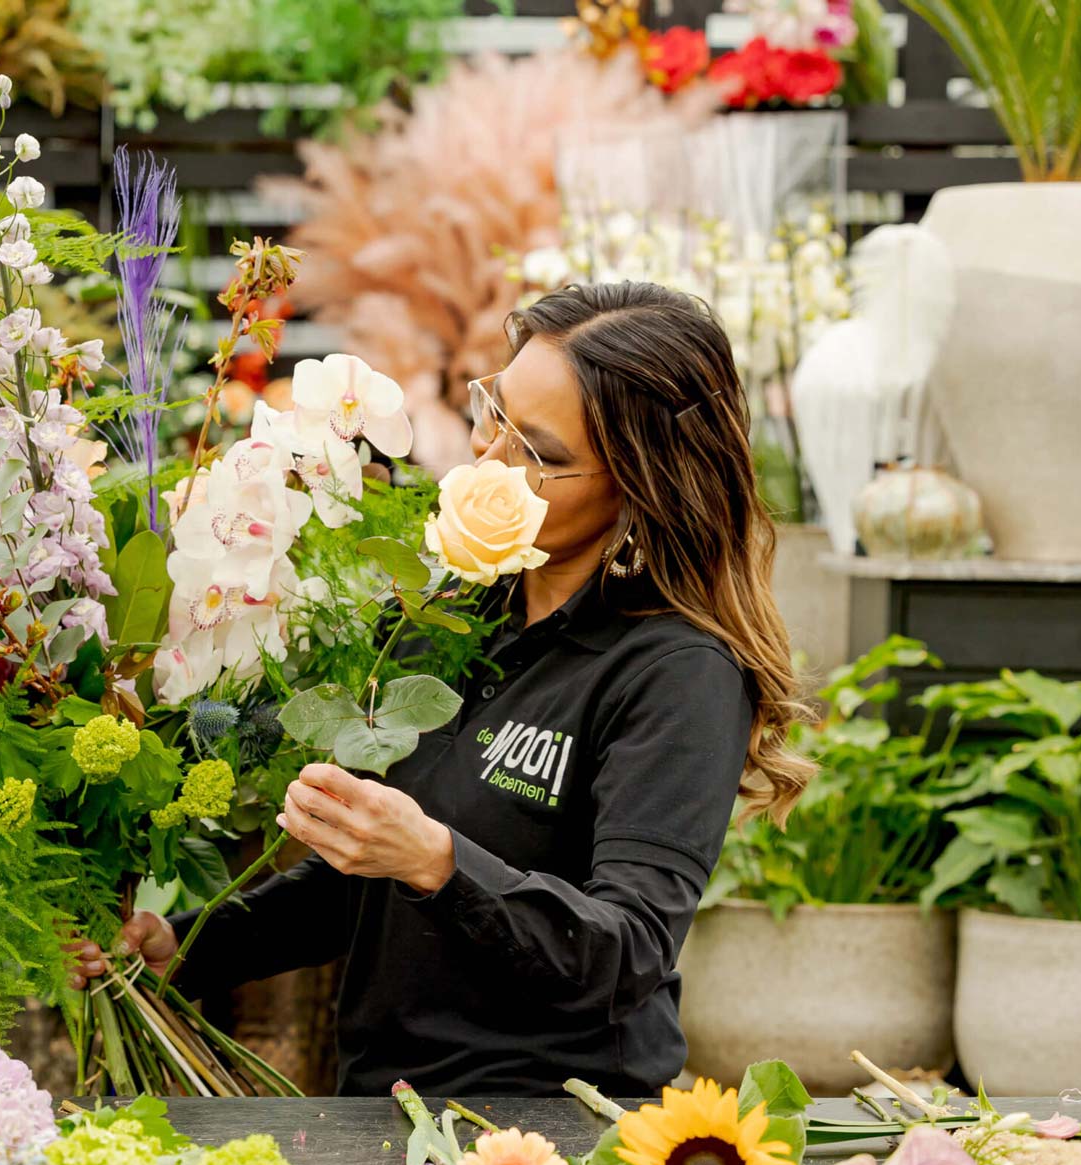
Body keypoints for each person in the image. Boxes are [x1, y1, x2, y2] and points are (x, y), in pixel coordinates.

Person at [75, 281, 813, 1097]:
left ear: (641, 483)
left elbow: (628, 951)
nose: (489, 459)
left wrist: (439, 863)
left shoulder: (675, 672)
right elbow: (359, 880)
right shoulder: (450, 618)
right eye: (494, 413)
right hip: (381, 1105)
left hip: (552, 1127)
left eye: (539, 453)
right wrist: (184, 947)